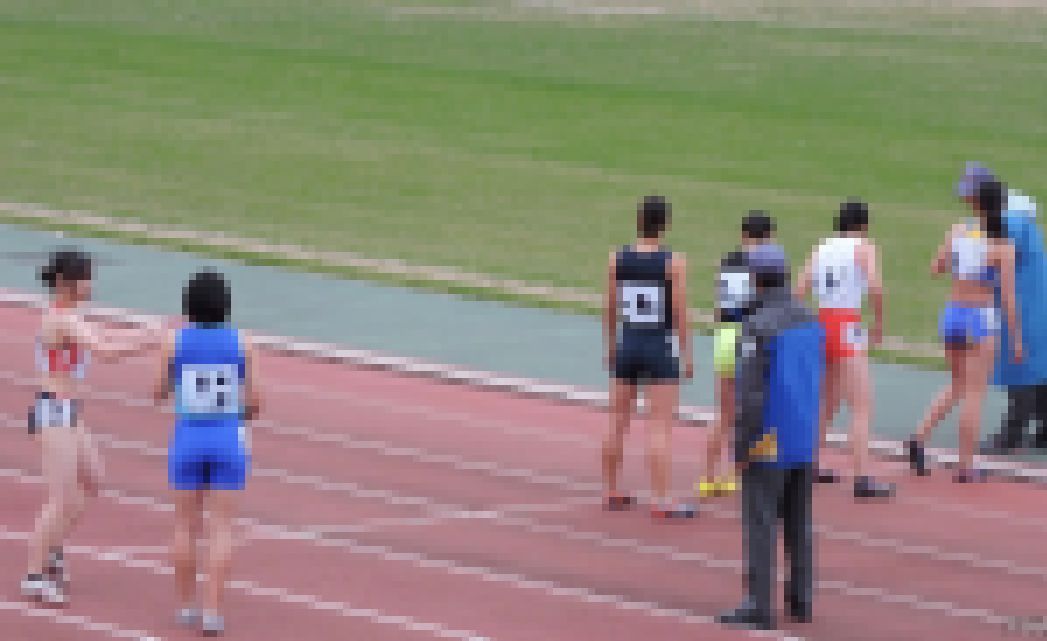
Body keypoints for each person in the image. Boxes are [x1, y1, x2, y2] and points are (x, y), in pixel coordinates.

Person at [22, 248, 156, 606]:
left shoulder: (72, 317)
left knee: (93, 480)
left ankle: (52, 548)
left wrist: (143, 334)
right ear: (66, 283)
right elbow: (107, 352)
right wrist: (152, 341)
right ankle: (34, 575)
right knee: (61, 497)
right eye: (86, 277)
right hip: (53, 412)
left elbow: (105, 339)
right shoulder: (62, 319)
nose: (91, 283)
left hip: (69, 412)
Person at [717, 243, 823, 631]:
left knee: (761, 521)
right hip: (803, 433)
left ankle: (759, 605)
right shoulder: (810, 319)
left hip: (769, 438)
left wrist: (742, 446)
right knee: (800, 522)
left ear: (756, 280)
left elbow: (751, 394)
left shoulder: (756, 326)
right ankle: (802, 600)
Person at [155, 269, 262, 636]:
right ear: (225, 304)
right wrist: (236, 413)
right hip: (227, 439)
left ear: (188, 304)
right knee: (222, 528)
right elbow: (257, 402)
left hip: (188, 438)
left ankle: (185, 607)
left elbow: (157, 392)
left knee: (185, 524)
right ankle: (213, 611)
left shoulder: (174, 341)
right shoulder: (244, 343)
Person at [908, 180, 1022, 482]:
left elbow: (935, 269)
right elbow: (1008, 297)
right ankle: (965, 466)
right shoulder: (1002, 244)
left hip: (952, 314)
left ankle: (919, 437)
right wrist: (1017, 338)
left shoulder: (957, 231)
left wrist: (958, 260)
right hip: (980, 318)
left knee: (957, 384)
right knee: (974, 393)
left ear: (975, 204)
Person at [794, 200, 894, 499]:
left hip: (822, 322)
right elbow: (876, 287)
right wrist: (879, 323)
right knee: (862, 405)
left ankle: (810, 463)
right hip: (847, 323)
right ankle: (862, 477)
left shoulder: (821, 247)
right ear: (862, 226)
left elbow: (800, 288)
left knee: (827, 400)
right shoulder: (864, 247)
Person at [603, 195, 695, 520]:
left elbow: (609, 306)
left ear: (639, 222)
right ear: (665, 225)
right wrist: (687, 354)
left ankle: (611, 488)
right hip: (659, 346)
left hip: (628, 342)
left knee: (617, 420)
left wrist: (609, 345)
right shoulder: (674, 262)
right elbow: (681, 310)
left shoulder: (617, 258)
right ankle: (661, 499)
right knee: (660, 425)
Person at [954, 165, 1047, 454]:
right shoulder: (1011, 214)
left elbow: (992, 259)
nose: (967, 201)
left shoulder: (1009, 221)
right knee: (1037, 362)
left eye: (971, 196)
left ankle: (1012, 433)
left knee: (1019, 361)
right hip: (1031, 296)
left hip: (1023, 299)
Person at [698, 213, 776, 499]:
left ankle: (708, 477)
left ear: (743, 235)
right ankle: (736, 474)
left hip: (725, 336)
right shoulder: (768, 266)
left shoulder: (727, 261)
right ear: (768, 237)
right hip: (750, 338)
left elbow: (718, 309)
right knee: (756, 412)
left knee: (724, 412)